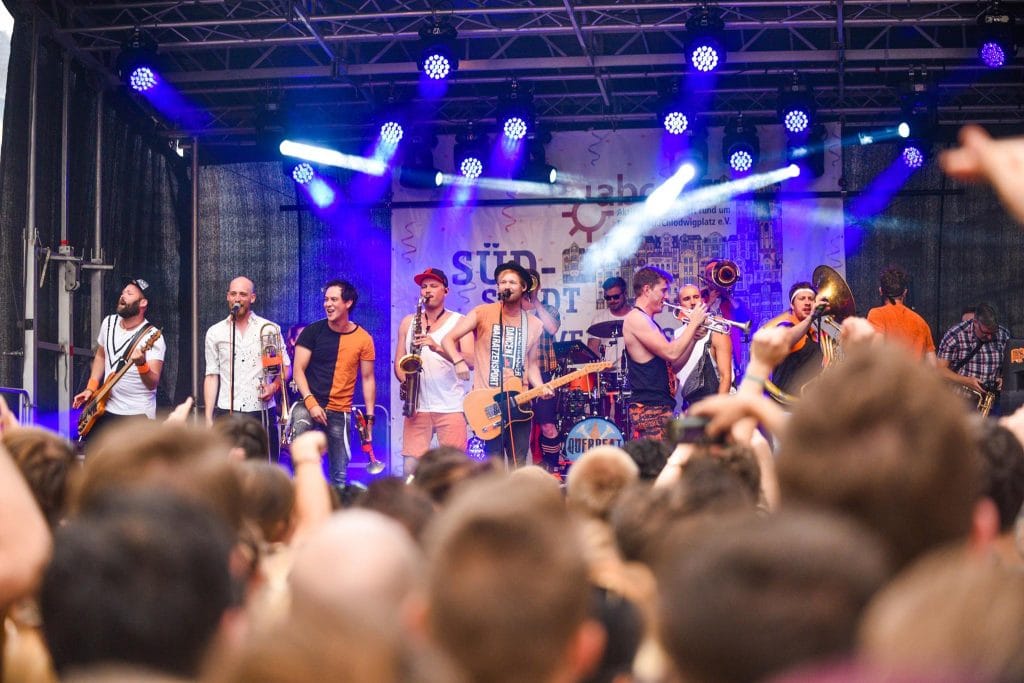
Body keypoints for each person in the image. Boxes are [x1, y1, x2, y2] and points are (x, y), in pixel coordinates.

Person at [441, 261, 551, 468]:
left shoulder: (535, 325)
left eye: (512, 282)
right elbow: (448, 339)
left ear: (524, 287)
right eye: (502, 282)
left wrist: (540, 386)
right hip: (487, 404)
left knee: (519, 461)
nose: (506, 286)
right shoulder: (482, 312)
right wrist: (458, 361)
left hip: (520, 401)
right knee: (493, 464)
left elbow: (533, 365)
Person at [292, 279, 376, 487]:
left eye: (333, 299)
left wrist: (370, 417)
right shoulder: (312, 331)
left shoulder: (364, 339)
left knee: (339, 475)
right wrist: (311, 403)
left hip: (340, 409)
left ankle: (336, 508)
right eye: (326, 299)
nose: (327, 304)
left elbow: (367, 378)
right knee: (301, 457)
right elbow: (297, 371)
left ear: (348, 303)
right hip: (309, 402)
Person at [394, 268, 472, 477]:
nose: (427, 290)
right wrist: (406, 382)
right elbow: (400, 361)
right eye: (424, 286)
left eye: (434, 286)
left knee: (456, 468)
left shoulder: (460, 321)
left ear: (446, 291)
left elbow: (471, 361)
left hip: (450, 405)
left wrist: (437, 346)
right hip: (417, 405)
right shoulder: (408, 322)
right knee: (410, 467)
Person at [203, 276, 290, 459]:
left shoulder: (268, 329)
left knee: (263, 466)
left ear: (252, 298)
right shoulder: (215, 332)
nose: (237, 298)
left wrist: (273, 387)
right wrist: (209, 416)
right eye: (233, 294)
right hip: (227, 409)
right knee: (226, 470)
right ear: (227, 296)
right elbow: (211, 375)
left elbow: (284, 369)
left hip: (260, 409)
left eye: (243, 294)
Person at [72, 277, 167, 438]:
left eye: (129, 293)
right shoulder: (108, 323)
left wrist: (142, 365)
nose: (122, 296)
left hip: (137, 415)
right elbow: (101, 356)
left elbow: (152, 383)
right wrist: (91, 387)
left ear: (143, 303)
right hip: (105, 409)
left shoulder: (153, 336)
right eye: (123, 292)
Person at [622, 266, 708, 440]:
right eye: (663, 290)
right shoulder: (636, 318)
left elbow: (673, 365)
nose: (667, 297)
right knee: (659, 465)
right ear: (647, 290)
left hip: (659, 408)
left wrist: (694, 338)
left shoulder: (650, 322)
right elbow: (671, 353)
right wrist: (693, 323)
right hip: (649, 410)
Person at [762, 281, 828, 397]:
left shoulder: (816, 332)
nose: (807, 303)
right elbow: (788, 339)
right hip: (786, 405)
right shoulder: (785, 326)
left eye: (811, 299)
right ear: (792, 305)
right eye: (802, 299)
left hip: (809, 403)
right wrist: (811, 317)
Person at [524, 268, 562, 469]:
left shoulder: (548, 309)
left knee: (547, 426)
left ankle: (552, 468)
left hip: (544, 374)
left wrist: (534, 299)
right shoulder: (512, 311)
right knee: (521, 428)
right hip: (516, 377)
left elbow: (552, 328)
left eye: (532, 282)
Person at [674, 284, 733, 411]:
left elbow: (725, 377)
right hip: (690, 406)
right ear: (679, 305)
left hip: (716, 404)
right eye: (686, 299)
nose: (693, 302)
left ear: (702, 300)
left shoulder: (717, 328)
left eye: (696, 297)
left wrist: (718, 414)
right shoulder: (677, 334)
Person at [937, 302, 1010, 405]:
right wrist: (966, 381)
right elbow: (940, 370)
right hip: (961, 400)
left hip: (992, 401)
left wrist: (1004, 378)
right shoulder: (955, 335)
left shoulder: (1004, 334)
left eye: (992, 333)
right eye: (985, 332)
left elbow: (1010, 366)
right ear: (975, 322)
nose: (989, 337)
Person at [865, 266, 936, 363]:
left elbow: (875, 352)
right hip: (914, 377)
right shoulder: (921, 322)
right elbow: (932, 366)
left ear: (880, 291)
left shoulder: (877, 314)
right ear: (905, 292)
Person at [587, 276, 631, 366]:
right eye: (608, 298)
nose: (612, 300)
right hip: (608, 375)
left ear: (625, 294)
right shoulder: (599, 320)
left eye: (616, 297)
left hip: (635, 374)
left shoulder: (638, 317)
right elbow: (592, 351)